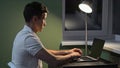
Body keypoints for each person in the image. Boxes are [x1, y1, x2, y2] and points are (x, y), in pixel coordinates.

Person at [11, 1, 82, 68]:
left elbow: (44, 52)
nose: (45, 23)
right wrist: (72, 55)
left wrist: (68, 52)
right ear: (35, 19)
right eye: (44, 19)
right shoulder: (28, 38)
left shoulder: (23, 34)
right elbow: (54, 61)